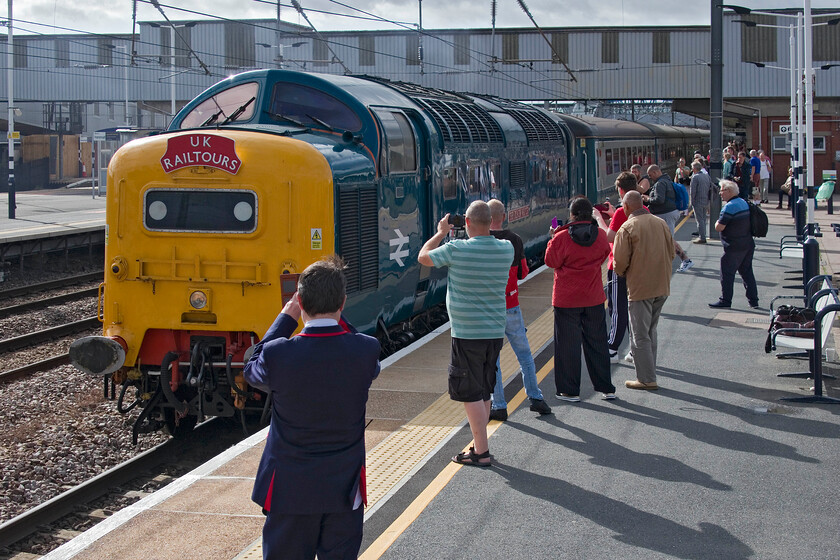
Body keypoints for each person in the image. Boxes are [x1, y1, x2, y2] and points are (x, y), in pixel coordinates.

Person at [244, 255, 381, 560]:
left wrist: (286, 317)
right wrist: (335, 315)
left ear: (301, 303)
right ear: (343, 303)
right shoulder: (366, 350)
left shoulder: (279, 355)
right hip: (344, 492)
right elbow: (356, 342)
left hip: (289, 492)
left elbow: (252, 366)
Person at [418, 200, 513, 467]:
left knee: (470, 393)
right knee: (483, 390)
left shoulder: (456, 249)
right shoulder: (505, 249)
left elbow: (423, 257)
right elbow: (496, 237)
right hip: (494, 331)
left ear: (467, 223)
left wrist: (440, 232)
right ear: (493, 221)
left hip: (467, 333)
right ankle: (479, 445)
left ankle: (481, 452)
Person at [546, 196, 616, 401]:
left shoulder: (561, 237)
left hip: (566, 298)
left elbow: (551, 261)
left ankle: (569, 390)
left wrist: (552, 238)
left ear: (572, 215)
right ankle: (606, 387)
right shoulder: (601, 236)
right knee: (597, 343)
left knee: (567, 345)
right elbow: (604, 254)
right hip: (593, 296)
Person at [487, 199, 551, 421]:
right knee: (524, 355)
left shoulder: (479, 241)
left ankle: (499, 405)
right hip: (512, 306)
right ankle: (535, 397)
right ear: (503, 216)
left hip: (490, 310)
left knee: (493, 360)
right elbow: (524, 272)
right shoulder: (514, 240)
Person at [613, 191, 674, 391]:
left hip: (640, 287)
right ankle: (650, 372)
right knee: (651, 330)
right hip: (662, 285)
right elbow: (671, 252)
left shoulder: (627, 228)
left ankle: (646, 378)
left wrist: (623, 273)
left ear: (627, 207)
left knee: (639, 334)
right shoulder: (660, 223)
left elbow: (619, 262)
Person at [594, 171, 638, 363]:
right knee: (632, 309)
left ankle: (612, 348)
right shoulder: (641, 209)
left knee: (617, 308)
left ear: (620, 190)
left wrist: (599, 219)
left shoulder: (622, 212)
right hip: (635, 265)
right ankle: (635, 348)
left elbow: (609, 237)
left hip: (617, 264)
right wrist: (613, 215)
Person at [709, 180, 759, 309]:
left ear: (729, 191)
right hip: (747, 243)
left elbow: (719, 227)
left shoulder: (729, 207)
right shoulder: (743, 202)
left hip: (734, 245)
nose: (720, 193)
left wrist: (715, 223)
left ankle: (725, 300)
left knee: (727, 272)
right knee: (747, 272)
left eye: (722, 190)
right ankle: (753, 301)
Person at [643, 164, 693, 272]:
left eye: (650, 175)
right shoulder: (666, 180)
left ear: (656, 172)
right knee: (666, 240)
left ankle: (685, 260)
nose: (650, 177)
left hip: (666, 214)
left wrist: (647, 199)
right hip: (667, 213)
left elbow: (659, 200)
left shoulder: (660, 183)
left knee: (668, 240)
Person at [689, 160, 713, 244]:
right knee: (703, 219)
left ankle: (702, 237)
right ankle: (703, 234)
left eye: (692, 168)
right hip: (706, 200)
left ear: (695, 168)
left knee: (699, 220)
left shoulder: (695, 177)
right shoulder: (706, 176)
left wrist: (692, 202)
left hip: (698, 201)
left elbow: (693, 192)